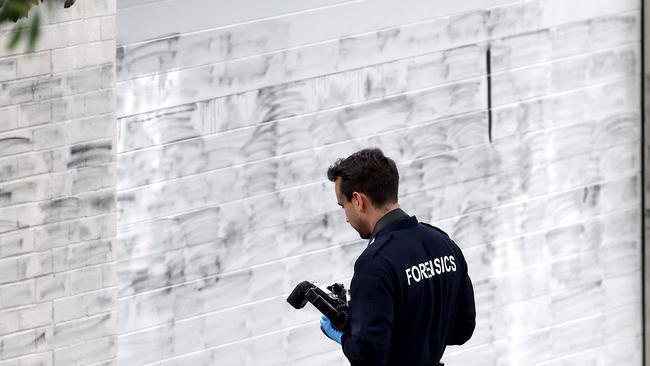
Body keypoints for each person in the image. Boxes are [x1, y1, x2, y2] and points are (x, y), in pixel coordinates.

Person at [320, 148, 476, 366]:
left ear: (357, 200)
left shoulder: (374, 263)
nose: (345, 217)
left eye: (342, 205)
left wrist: (343, 335)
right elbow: (462, 329)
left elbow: (368, 356)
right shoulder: (444, 243)